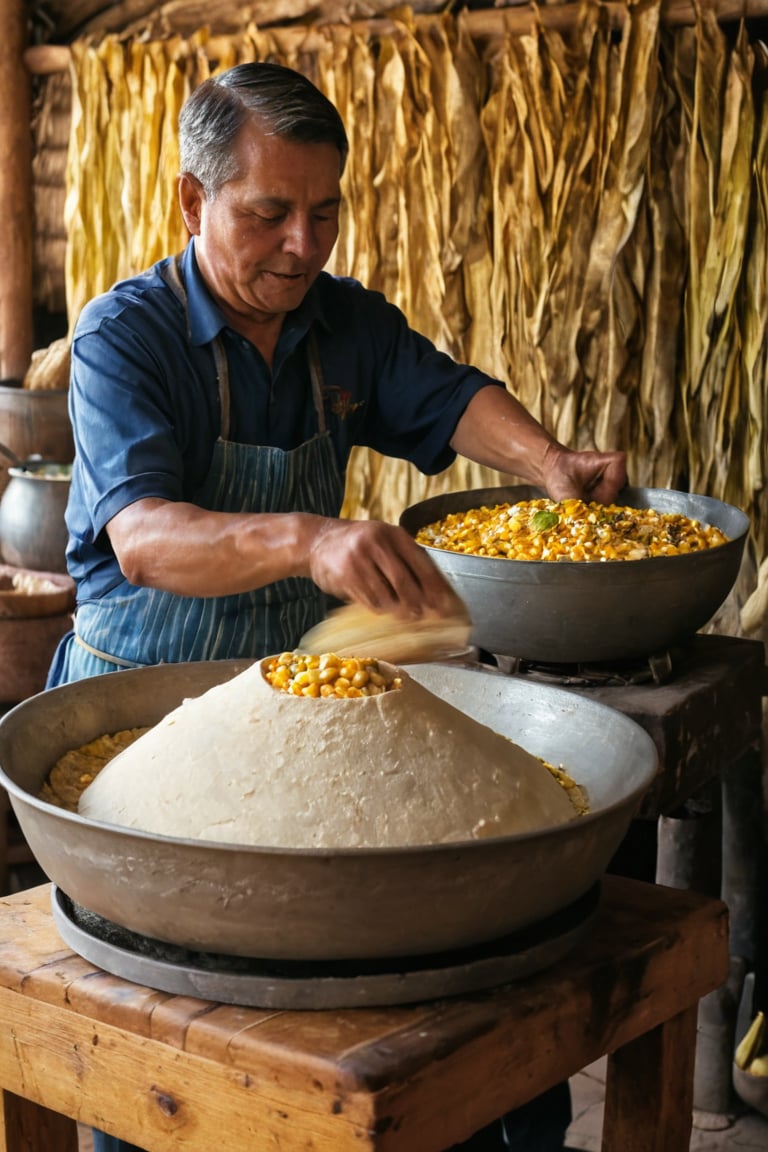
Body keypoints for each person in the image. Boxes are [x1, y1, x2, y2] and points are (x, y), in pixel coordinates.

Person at [48, 62, 626, 1152]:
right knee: (165, 1058)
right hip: (135, 732)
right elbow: (143, 537)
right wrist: (309, 538)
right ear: (191, 202)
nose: (305, 247)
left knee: (356, 1042)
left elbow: (447, 395)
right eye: (269, 215)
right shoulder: (127, 339)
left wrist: (548, 460)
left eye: (325, 213)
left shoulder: (339, 326)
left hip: (294, 724)